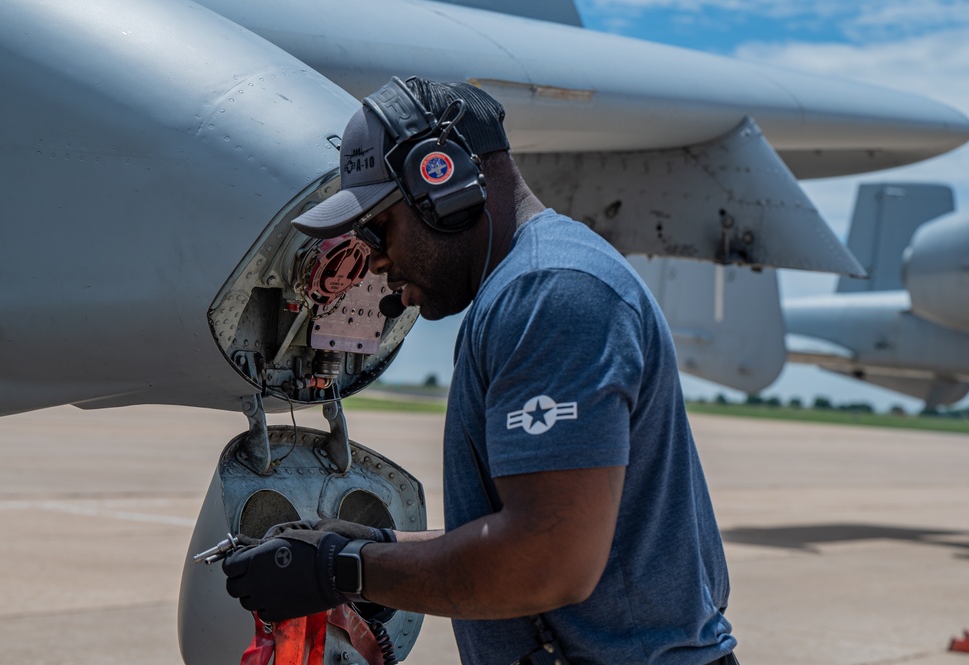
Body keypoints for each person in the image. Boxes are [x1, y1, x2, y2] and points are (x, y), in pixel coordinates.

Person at [222, 76, 738, 665]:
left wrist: (341, 570)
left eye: (378, 227)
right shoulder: (529, 286)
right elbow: (529, 528)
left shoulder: (549, 294)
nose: (376, 259)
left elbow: (545, 561)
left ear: (443, 183)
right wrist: (375, 546)